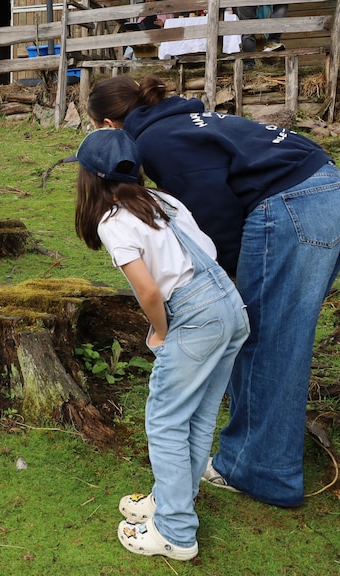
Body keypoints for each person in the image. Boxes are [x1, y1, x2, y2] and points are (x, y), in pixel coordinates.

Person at [86, 75, 340, 508]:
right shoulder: (181, 120)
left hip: (294, 206)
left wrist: (220, 283)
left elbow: (213, 213)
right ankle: (261, 455)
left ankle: (259, 471)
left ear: (108, 125)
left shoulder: (154, 140)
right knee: (280, 339)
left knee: (265, 342)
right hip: (336, 193)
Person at [70, 129, 248, 561]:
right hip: (230, 304)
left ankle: (175, 532)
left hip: (195, 315)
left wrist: (161, 332)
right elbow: (205, 250)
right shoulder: (164, 200)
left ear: (89, 179)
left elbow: (149, 291)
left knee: (165, 420)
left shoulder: (113, 222)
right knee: (199, 414)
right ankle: (173, 500)